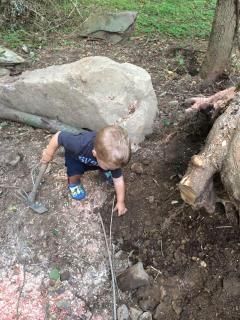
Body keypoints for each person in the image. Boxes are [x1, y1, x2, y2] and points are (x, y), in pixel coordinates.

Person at [41, 125, 131, 216]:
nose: (114, 170)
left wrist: (120, 201)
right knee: (74, 174)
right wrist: (48, 153)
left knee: (110, 169)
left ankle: (105, 170)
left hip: (99, 162)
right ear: (94, 153)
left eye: (113, 168)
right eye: (110, 168)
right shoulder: (79, 144)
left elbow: (119, 180)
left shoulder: (111, 158)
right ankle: (74, 184)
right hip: (76, 159)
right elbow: (59, 136)